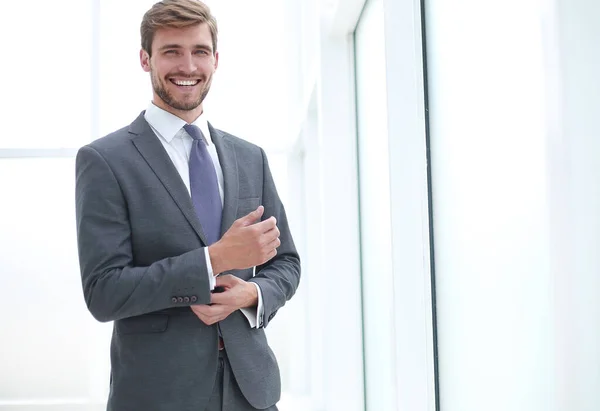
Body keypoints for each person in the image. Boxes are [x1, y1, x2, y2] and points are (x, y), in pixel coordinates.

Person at [74, 1, 300, 410]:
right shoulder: (105, 161)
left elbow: (286, 263)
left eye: (199, 51)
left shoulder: (251, 158)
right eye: (171, 51)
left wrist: (252, 293)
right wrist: (212, 260)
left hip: (250, 391)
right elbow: (103, 292)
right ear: (146, 59)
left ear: (216, 59)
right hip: (158, 393)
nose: (188, 66)